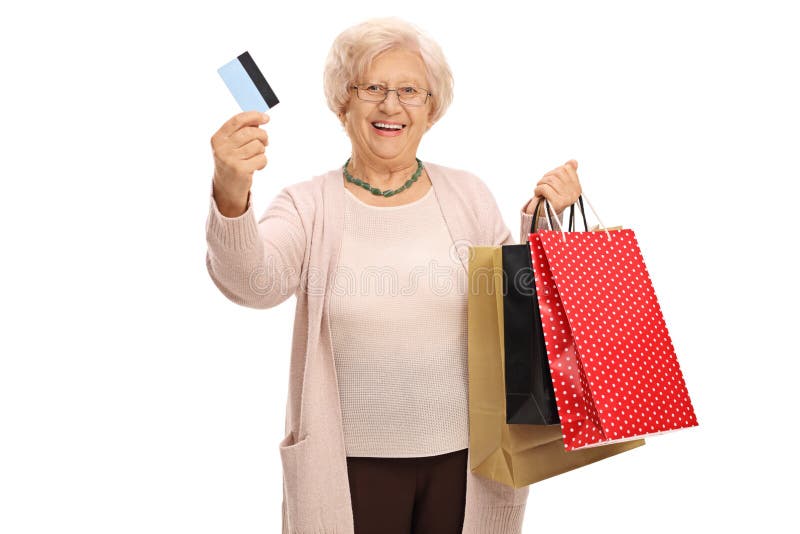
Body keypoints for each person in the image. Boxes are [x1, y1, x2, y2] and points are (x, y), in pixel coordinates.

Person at [206, 17, 582, 534]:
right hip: (347, 468)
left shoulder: (468, 195)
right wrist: (231, 191)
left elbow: (518, 311)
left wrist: (544, 220)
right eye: (372, 88)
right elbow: (253, 283)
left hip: (469, 460)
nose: (391, 105)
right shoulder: (308, 205)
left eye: (410, 90)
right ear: (344, 102)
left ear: (431, 109)